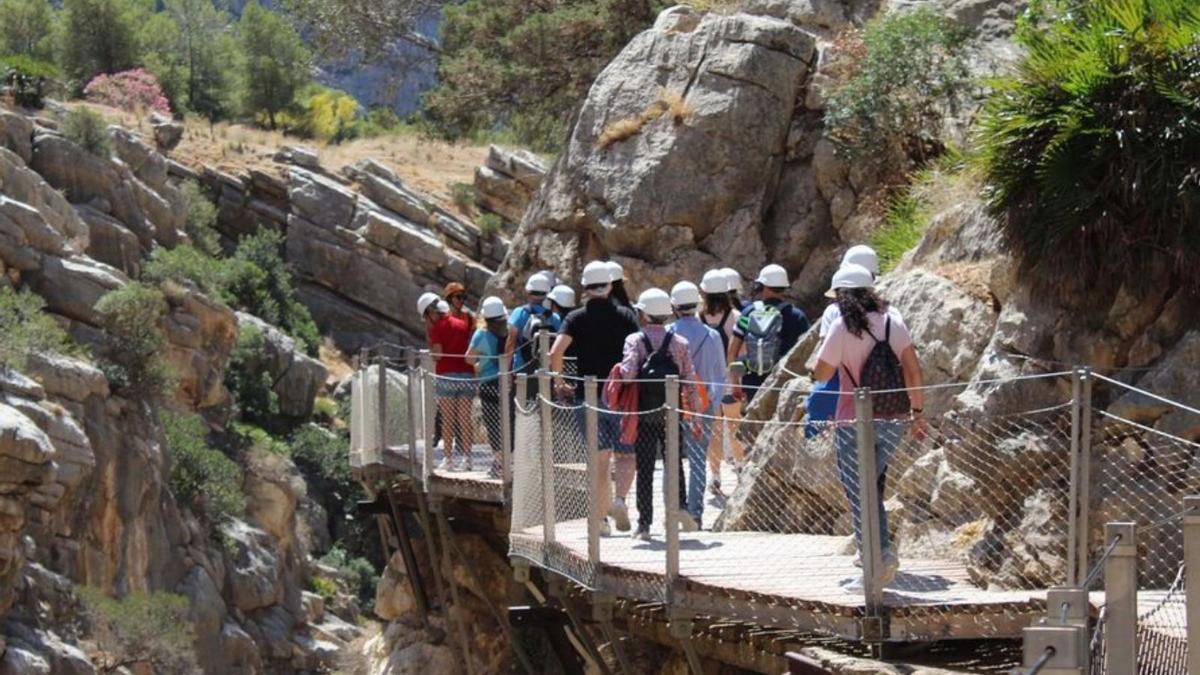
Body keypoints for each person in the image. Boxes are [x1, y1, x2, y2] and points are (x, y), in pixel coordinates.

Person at [812, 263, 927, 590]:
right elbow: (914, 371)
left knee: (860, 492)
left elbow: (822, 373)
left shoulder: (842, 327)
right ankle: (880, 556)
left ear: (843, 297)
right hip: (893, 417)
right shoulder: (893, 321)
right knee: (870, 489)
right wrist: (917, 412)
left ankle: (876, 563)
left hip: (853, 420)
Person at [550, 261, 640, 536]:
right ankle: (620, 500)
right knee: (626, 454)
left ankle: (600, 520)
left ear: (586, 288)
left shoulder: (575, 318)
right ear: (610, 286)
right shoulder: (627, 315)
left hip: (587, 395)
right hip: (620, 395)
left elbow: (555, 352)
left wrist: (559, 381)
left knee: (599, 460)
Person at [616, 288, 703, 540]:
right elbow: (689, 381)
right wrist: (695, 416)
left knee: (645, 468)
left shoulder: (635, 340)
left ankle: (644, 525)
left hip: (644, 413)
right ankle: (681, 508)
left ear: (642, 313)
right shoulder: (680, 343)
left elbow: (629, 373)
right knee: (674, 461)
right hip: (671, 413)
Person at [809, 246, 900, 437]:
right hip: (884, 393)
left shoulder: (834, 311)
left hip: (842, 389)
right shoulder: (887, 311)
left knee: (817, 421)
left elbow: (828, 358)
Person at [669, 281, 725, 525]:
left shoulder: (668, 333)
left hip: (673, 402)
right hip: (703, 403)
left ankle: (675, 508)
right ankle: (695, 513)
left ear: (674, 305)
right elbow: (720, 374)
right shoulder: (711, 335)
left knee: (673, 458)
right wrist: (713, 401)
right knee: (697, 459)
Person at [726, 264, 810, 403]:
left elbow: (731, 353)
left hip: (752, 382)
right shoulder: (797, 316)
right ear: (785, 287)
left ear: (761, 285)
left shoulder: (748, 313)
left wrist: (735, 385)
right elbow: (807, 352)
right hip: (784, 384)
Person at [700, 269, 745, 496]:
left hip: (707, 385)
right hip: (730, 382)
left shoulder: (699, 318)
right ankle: (739, 470)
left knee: (714, 432)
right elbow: (741, 353)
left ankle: (715, 476)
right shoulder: (735, 317)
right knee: (734, 428)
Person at [419, 292, 475, 472]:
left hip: (446, 376)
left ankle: (448, 459)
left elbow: (438, 354)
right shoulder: (462, 323)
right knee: (465, 418)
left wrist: (430, 343)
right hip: (467, 375)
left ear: (430, 312)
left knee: (448, 419)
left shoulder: (437, 329)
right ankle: (467, 459)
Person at [466, 296, 509, 478]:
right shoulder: (508, 332)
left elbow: (469, 357)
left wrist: (478, 366)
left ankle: (499, 463)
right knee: (507, 421)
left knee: (493, 423)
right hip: (507, 381)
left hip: (488, 382)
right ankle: (509, 460)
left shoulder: (481, 335)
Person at [506, 272, 559, 376]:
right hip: (547, 372)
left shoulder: (519, 313)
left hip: (522, 370)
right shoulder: (554, 318)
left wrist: (507, 371)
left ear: (528, 292)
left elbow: (511, 342)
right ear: (546, 294)